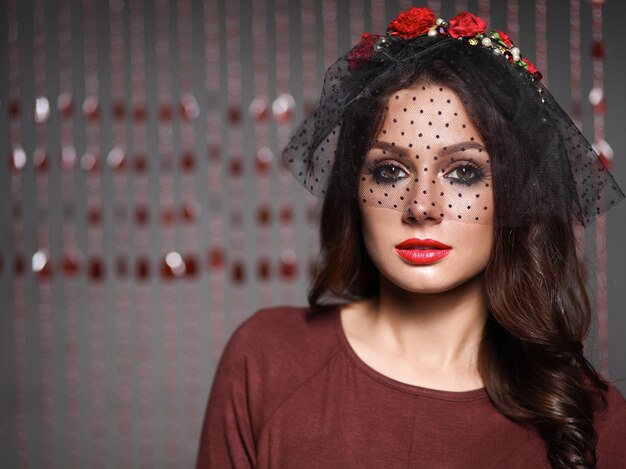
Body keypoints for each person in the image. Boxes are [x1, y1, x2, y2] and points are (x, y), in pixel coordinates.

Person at [196, 7, 626, 468]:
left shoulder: (595, 422)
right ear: (355, 190)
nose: (422, 206)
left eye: (463, 173)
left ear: (516, 194)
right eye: (389, 171)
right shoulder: (267, 359)